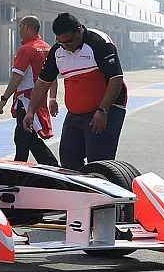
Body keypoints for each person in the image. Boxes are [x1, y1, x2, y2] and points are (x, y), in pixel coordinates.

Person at [23, 13, 127, 170]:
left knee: (98, 164)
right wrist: (31, 111)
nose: (66, 46)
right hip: (75, 113)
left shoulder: (99, 42)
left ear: (79, 30)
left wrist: (103, 110)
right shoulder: (58, 50)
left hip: (106, 109)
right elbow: (42, 83)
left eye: (69, 41)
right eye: (61, 42)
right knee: (68, 160)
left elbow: (116, 79)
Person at [0, 16, 58, 166]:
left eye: (19, 28)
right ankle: (19, 167)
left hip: (26, 100)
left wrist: (4, 99)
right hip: (40, 101)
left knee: (28, 137)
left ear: (25, 28)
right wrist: (52, 98)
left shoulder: (26, 49)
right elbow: (52, 77)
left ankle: (52, 166)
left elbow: (16, 78)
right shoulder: (47, 48)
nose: (18, 31)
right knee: (21, 138)